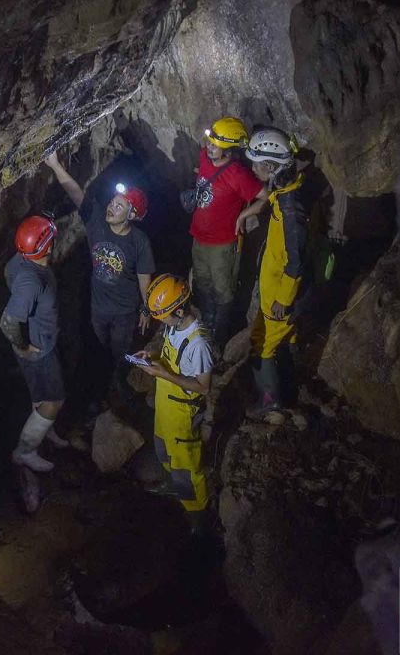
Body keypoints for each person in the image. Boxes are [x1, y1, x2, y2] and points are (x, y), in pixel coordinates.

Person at [44, 151, 155, 410]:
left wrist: (147, 307)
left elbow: (144, 277)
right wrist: (55, 165)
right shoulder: (96, 223)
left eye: (119, 206)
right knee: (96, 353)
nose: (111, 207)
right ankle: (96, 393)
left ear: (132, 215)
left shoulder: (139, 242)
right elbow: (75, 192)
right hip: (97, 310)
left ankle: (118, 390)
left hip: (124, 313)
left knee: (120, 354)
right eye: (112, 202)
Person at [132, 274, 213, 527]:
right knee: (163, 451)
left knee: (186, 469)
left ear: (178, 310)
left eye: (162, 316)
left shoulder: (198, 343)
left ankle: (197, 521)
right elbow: (167, 350)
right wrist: (152, 354)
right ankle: (170, 485)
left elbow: (203, 387)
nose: (160, 321)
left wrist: (163, 373)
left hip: (183, 415)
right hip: (165, 405)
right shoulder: (172, 325)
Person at [240, 128, 309, 420]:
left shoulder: (291, 209)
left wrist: (283, 299)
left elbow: (296, 261)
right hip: (276, 291)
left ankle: (270, 402)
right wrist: (247, 213)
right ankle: (291, 384)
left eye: (258, 164)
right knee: (287, 339)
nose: (254, 169)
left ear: (272, 167)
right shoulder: (284, 193)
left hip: (280, 297)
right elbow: (269, 196)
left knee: (262, 345)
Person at [188, 117, 267, 350]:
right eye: (209, 142)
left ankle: (218, 338)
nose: (209, 147)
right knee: (201, 281)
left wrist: (243, 215)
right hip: (198, 237)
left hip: (223, 244)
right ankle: (206, 323)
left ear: (230, 148)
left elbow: (265, 196)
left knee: (223, 290)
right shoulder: (205, 156)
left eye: (215, 144)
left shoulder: (237, 174)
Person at [0, 213, 69, 472]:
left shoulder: (19, 259)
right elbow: (7, 322)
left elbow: (9, 277)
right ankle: (25, 450)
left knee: (42, 396)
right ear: (46, 246)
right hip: (39, 351)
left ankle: (43, 426)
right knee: (54, 400)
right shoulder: (31, 280)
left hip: (41, 340)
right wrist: (23, 346)